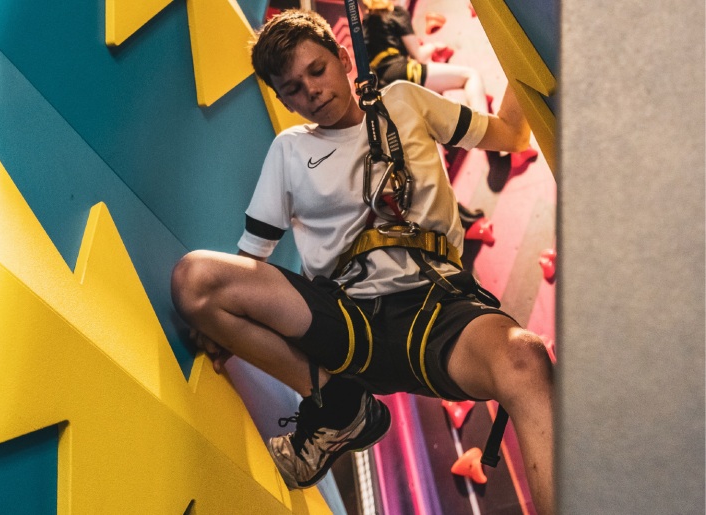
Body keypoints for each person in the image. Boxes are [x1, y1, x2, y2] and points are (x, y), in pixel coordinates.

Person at [170, 9, 553, 514]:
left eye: (316, 70)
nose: (310, 90)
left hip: (440, 313)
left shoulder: (404, 101)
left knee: (523, 358)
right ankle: (340, 407)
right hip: (348, 324)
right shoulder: (290, 151)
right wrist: (222, 328)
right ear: (283, 100)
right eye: (291, 88)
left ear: (343, 58)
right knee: (195, 279)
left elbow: (509, 133)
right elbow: (250, 262)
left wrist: (518, 38)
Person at [362, 0, 489, 114]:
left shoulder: (366, 22)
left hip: (381, 86)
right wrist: (434, 46)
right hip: (400, 72)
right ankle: (486, 125)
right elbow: (419, 55)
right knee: (470, 75)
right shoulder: (396, 13)